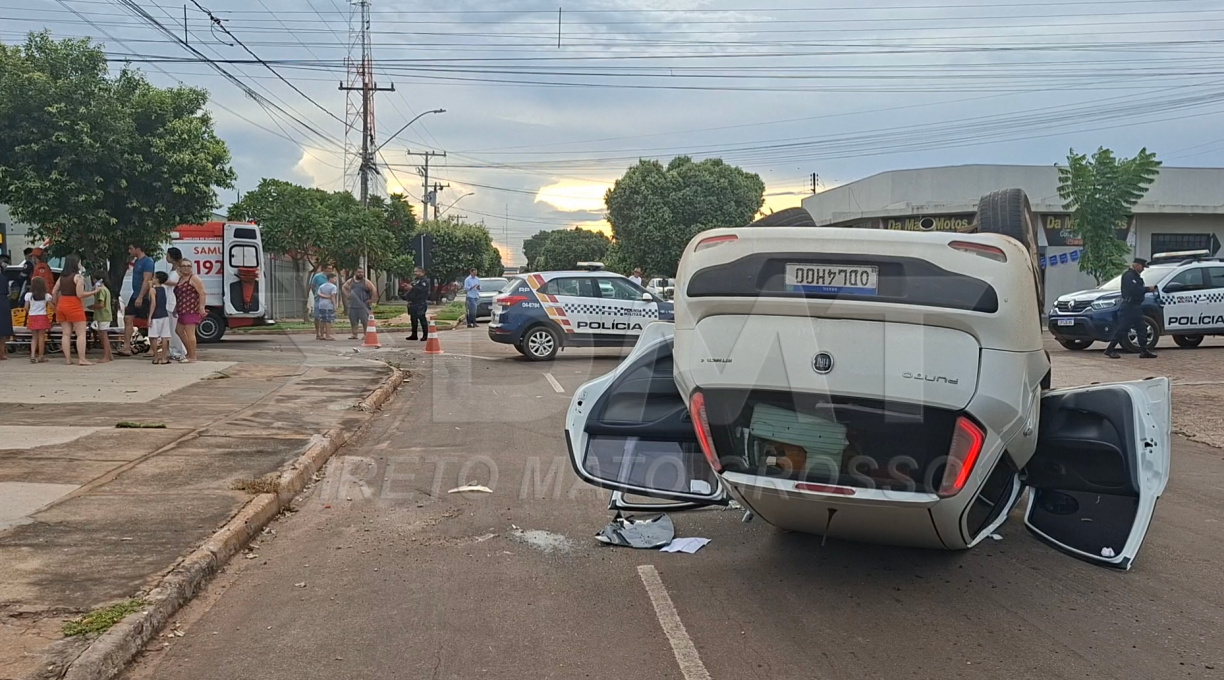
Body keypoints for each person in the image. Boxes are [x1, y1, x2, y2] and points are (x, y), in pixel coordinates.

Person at [1104, 258, 1158, 360]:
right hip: (1129, 306)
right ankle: (1110, 349)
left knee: (1141, 328)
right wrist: (1147, 289)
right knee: (1123, 329)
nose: (1142, 269)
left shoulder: (1136, 276)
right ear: (1136, 265)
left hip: (1136, 306)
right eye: (1142, 267)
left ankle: (1144, 350)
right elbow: (1134, 290)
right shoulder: (1129, 276)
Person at [51, 254, 98, 366]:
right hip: (74, 305)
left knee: (66, 334)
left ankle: (68, 359)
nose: (80, 264)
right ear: (75, 264)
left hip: (62, 304)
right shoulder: (78, 277)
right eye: (79, 262)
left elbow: (54, 291)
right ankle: (82, 359)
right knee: (81, 333)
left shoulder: (61, 277)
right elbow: (80, 294)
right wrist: (94, 291)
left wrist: (56, 304)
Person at [122, 243, 155, 357]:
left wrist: (141, 296)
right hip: (135, 293)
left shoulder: (148, 262)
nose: (129, 250)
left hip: (144, 295)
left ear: (138, 248)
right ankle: (126, 346)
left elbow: (147, 280)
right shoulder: (136, 262)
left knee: (148, 321)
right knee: (128, 318)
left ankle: (153, 347)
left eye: (131, 248)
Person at [174, 259, 206, 362]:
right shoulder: (180, 279)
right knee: (179, 330)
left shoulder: (194, 279)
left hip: (191, 309)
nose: (186, 268)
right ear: (180, 267)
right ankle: (189, 352)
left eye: (189, 266)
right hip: (182, 309)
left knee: (190, 333)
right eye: (184, 266)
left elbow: (202, 293)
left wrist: (201, 307)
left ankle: (193, 356)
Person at [162, 247, 187, 362]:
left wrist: (164, 281)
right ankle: (174, 350)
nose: (166, 257)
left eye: (167, 255)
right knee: (171, 329)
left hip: (175, 300)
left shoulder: (180, 269)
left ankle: (182, 350)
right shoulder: (172, 268)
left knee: (176, 328)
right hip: (169, 299)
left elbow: (180, 283)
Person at [342, 270, 377, 340]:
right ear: (355, 273)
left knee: (365, 321)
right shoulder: (351, 281)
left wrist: (371, 300)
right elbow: (344, 287)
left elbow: (373, 290)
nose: (360, 274)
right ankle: (354, 334)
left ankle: (365, 334)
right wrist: (347, 295)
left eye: (362, 272)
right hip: (352, 306)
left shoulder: (366, 282)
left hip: (363, 306)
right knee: (353, 321)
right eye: (359, 272)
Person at [147, 271, 173, 364]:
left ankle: (156, 358)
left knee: (154, 337)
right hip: (164, 314)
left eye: (153, 277)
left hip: (155, 315)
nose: (152, 279)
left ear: (157, 279)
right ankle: (163, 358)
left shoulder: (152, 290)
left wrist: (150, 316)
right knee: (164, 337)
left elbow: (153, 303)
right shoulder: (164, 289)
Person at [24, 276, 51, 363]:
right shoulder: (46, 296)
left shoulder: (28, 295)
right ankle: (41, 356)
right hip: (42, 316)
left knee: (34, 337)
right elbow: (52, 306)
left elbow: (26, 307)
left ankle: (32, 355)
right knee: (41, 338)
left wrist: (30, 311)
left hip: (32, 316)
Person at [90, 270, 114, 363]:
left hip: (103, 315)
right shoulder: (105, 289)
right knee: (102, 335)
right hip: (103, 315)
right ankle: (109, 354)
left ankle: (106, 356)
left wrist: (91, 307)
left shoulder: (101, 290)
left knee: (103, 336)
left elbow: (101, 304)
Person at [404, 267, 430, 342]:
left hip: (420, 303)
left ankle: (425, 335)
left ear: (421, 272)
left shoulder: (424, 281)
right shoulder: (416, 280)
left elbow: (422, 290)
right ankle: (414, 334)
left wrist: (412, 288)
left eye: (416, 271)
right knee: (413, 319)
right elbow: (413, 288)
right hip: (413, 303)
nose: (414, 273)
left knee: (422, 318)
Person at [315, 273, 338, 341]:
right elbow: (333, 296)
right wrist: (334, 305)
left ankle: (321, 335)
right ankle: (328, 335)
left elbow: (318, 293)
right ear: (330, 278)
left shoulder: (322, 286)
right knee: (328, 321)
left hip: (321, 304)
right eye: (334, 278)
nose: (335, 280)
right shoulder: (333, 287)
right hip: (329, 305)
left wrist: (325, 296)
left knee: (322, 320)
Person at [0, 277, 12, 361]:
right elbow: (9, 292)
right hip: (3, 302)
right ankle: (2, 353)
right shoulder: (4, 278)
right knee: (3, 330)